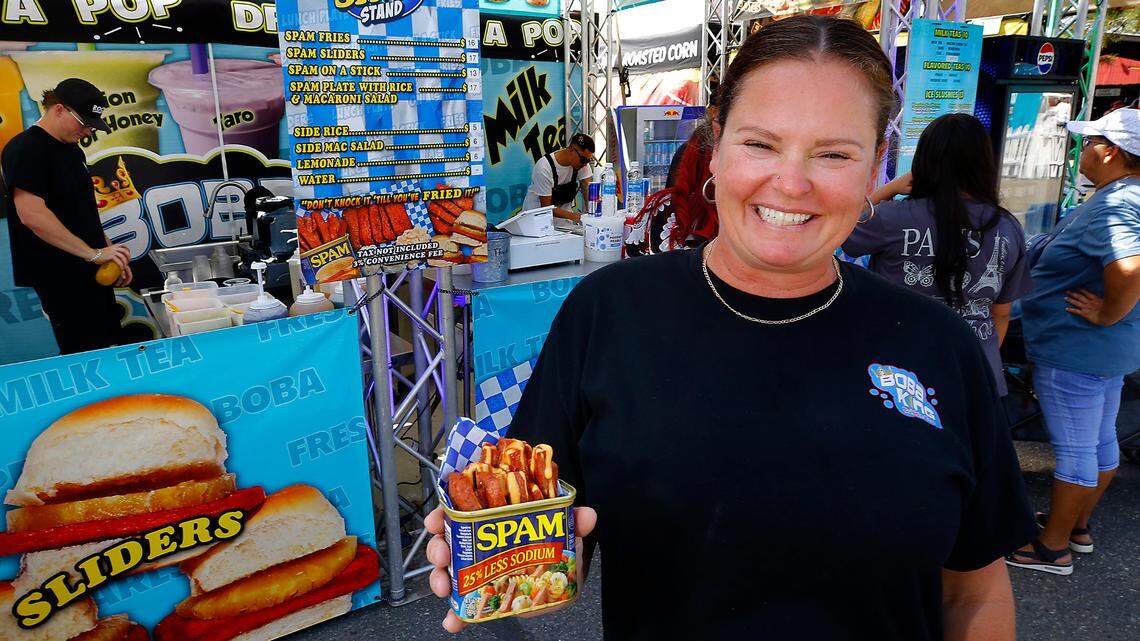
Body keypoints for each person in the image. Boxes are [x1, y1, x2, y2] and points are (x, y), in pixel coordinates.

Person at [426, 16, 1035, 640]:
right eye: (761, 144)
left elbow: (976, 592)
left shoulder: (938, 344)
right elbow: (547, 533)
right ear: (715, 144)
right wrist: (501, 566)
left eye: (833, 153)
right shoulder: (610, 313)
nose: (792, 184)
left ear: (876, 163)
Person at [1006, 108, 1140, 576]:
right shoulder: (1125, 196)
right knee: (1100, 442)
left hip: (1077, 346)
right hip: (1108, 347)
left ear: (1111, 152)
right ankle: (1076, 525)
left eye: (1089, 144)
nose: (1082, 152)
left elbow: (1130, 266)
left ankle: (1052, 548)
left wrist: (1107, 311)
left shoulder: (1119, 205)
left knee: (1078, 449)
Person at [842, 113, 1033, 397]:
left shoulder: (893, 218)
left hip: (898, 374)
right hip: (975, 375)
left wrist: (888, 190)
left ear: (924, 161)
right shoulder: (1006, 226)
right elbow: (1001, 315)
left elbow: (841, 233)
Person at [1, 78, 132, 355]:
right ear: (58, 109)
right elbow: (32, 214)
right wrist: (94, 254)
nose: (86, 131)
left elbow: (81, 211)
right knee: (84, 350)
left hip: (87, 265)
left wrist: (109, 252)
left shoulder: (72, 150)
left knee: (109, 342)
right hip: (58, 272)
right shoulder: (25, 149)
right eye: (83, 122)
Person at [521, 132, 594, 222]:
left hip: (564, 222)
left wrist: (591, 215)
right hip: (537, 220)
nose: (585, 164)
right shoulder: (544, 167)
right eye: (584, 160)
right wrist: (577, 217)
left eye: (589, 160)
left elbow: (587, 189)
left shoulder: (581, 164)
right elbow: (546, 208)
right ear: (571, 150)